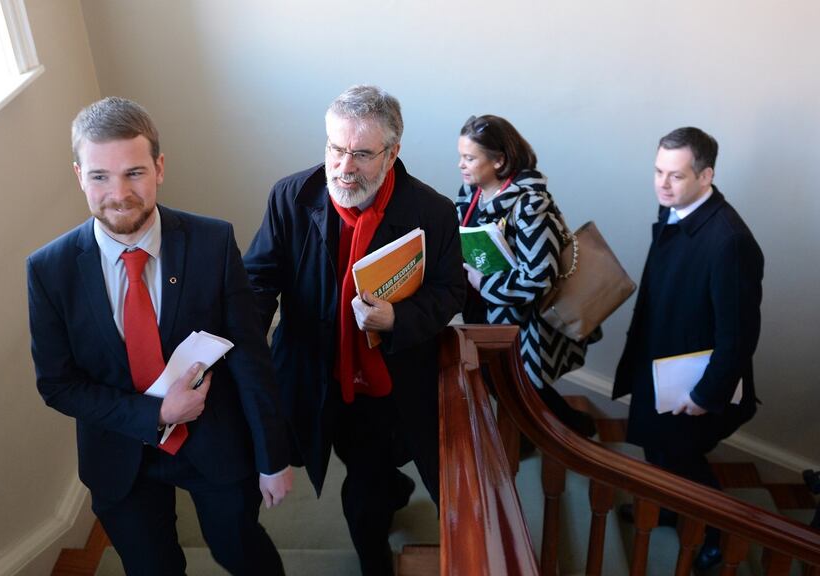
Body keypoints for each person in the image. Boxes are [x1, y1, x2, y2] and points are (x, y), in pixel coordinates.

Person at [27, 97, 293, 576]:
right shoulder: (50, 270)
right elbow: (57, 383)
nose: (119, 193)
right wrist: (156, 414)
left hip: (215, 441)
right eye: (99, 176)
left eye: (134, 173)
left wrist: (273, 458)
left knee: (242, 551)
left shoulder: (212, 242)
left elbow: (252, 356)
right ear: (78, 175)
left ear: (159, 167)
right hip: (119, 453)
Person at [243, 85, 466, 576]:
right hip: (312, 373)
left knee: (362, 493)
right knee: (291, 451)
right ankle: (392, 486)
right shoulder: (290, 196)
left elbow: (452, 291)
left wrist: (396, 319)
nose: (344, 167)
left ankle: (375, 563)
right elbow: (259, 278)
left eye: (362, 154)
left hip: (384, 385)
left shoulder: (432, 212)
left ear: (392, 153)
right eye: (335, 148)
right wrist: (244, 341)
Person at [613, 126, 763, 571]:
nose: (662, 183)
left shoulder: (729, 241)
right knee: (658, 451)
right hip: (659, 359)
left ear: (706, 175)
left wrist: (705, 395)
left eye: (675, 176)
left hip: (692, 380)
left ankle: (717, 535)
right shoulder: (676, 208)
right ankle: (666, 508)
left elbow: (738, 335)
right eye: (658, 171)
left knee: (684, 459)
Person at [456, 114, 599, 437]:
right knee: (496, 382)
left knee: (524, 388)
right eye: (460, 157)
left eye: (469, 158)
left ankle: (571, 431)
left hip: (521, 324)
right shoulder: (471, 193)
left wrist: (484, 282)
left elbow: (538, 278)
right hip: (483, 310)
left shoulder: (531, 205)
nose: (461, 165)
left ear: (499, 160)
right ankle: (528, 435)